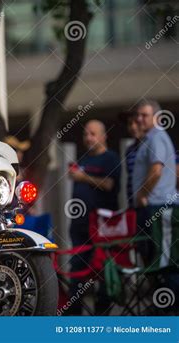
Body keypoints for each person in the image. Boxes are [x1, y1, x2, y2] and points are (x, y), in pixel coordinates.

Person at [67, 120, 121, 314]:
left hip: (102, 226)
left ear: (104, 136)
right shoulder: (83, 160)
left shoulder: (111, 159)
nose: (88, 138)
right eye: (86, 134)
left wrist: (83, 178)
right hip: (79, 225)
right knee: (77, 269)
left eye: (93, 134)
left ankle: (102, 315)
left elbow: (109, 185)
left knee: (104, 269)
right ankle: (72, 315)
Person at [132, 99, 177, 266]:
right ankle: (159, 291)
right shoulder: (149, 138)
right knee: (151, 257)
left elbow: (156, 170)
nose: (139, 119)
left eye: (144, 115)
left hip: (157, 206)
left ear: (157, 117)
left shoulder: (157, 137)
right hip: (152, 206)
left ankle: (169, 292)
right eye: (138, 115)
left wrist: (143, 194)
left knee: (164, 261)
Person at [119, 111, 145, 208]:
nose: (133, 127)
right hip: (134, 206)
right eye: (130, 123)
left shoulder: (156, 144)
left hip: (154, 206)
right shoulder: (130, 150)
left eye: (136, 123)